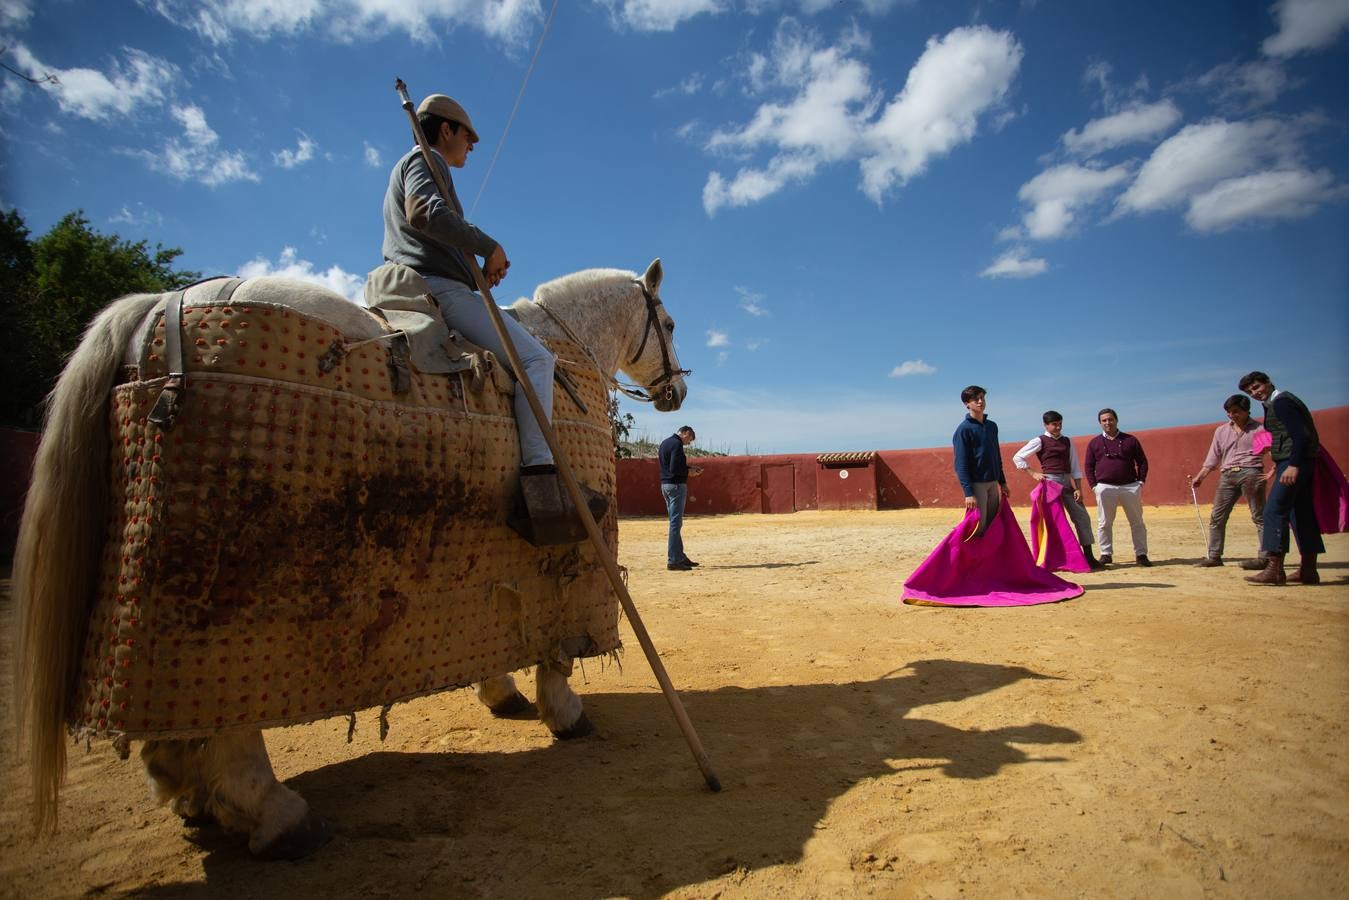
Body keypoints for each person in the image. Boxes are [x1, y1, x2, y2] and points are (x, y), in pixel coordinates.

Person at [382, 93, 602, 543]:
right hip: (440, 291)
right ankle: (540, 478)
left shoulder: (408, 167)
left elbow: (432, 232)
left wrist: (477, 267)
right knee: (538, 360)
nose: (473, 146)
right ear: (446, 130)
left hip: (430, 282)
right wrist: (489, 246)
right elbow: (425, 213)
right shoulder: (428, 161)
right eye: (468, 136)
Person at [1239, 372, 1323, 585]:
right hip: (1296, 461)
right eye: (1250, 391)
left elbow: (1300, 434)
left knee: (1274, 510)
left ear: (1267, 382)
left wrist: (1292, 464)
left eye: (1257, 387)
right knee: (1300, 512)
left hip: (1294, 462)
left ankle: (1275, 570)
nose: (1255, 393)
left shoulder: (1282, 402)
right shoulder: (1278, 402)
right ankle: (1309, 570)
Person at [1013, 411, 1103, 570]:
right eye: (1054, 424)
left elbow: (1074, 466)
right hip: (1050, 483)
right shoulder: (1039, 440)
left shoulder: (1067, 441)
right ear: (1046, 425)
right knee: (1054, 522)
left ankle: (1088, 556)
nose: (1058, 427)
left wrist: (1078, 488)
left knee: (1082, 517)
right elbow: (1018, 457)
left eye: (1060, 423)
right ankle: (1055, 559)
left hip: (1067, 482)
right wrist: (1033, 473)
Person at [1189, 394, 1267, 568]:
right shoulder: (1221, 431)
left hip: (1252, 472)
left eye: (1236, 412)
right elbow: (1213, 457)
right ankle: (1214, 556)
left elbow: (1271, 452)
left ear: (1247, 411)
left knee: (1259, 516)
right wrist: (1200, 477)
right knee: (1217, 517)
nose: (1232, 415)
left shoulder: (1260, 429)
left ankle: (1265, 557)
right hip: (1228, 474)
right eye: (1229, 412)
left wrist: (1272, 472)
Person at [1084, 408, 1151, 567]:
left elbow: (1142, 462)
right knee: (1104, 522)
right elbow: (1088, 466)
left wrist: (1140, 482)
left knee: (1137, 522)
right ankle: (1106, 554)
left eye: (1110, 419)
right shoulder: (1094, 443)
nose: (1107, 422)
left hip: (1130, 486)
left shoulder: (1131, 440)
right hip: (1105, 487)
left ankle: (1141, 554)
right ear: (1100, 423)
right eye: (1104, 420)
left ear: (1116, 420)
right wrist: (1094, 486)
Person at [952, 386, 1009, 536]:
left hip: (993, 483)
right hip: (977, 485)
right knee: (978, 527)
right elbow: (960, 464)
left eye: (982, 398)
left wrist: (1002, 482)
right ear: (967, 404)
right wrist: (968, 493)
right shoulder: (963, 430)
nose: (980, 401)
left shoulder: (992, 426)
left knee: (992, 525)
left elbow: (996, 455)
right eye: (976, 399)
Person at [659, 426, 702, 571]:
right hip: (676, 486)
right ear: (685, 433)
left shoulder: (665, 443)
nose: (687, 443)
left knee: (674, 523)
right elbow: (675, 469)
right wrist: (689, 471)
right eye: (689, 440)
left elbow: (672, 466)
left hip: (666, 485)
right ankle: (674, 560)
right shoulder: (677, 444)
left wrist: (688, 468)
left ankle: (679, 556)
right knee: (676, 524)